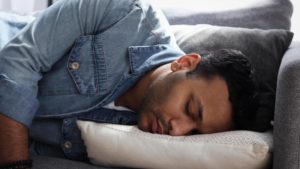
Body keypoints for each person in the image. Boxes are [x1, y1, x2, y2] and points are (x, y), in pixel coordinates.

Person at [0, 0, 257, 168]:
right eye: (190, 109)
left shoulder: (140, 152)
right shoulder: (125, 14)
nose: (177, 131)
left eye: (193, 134)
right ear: (186, 62)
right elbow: (18, 61)